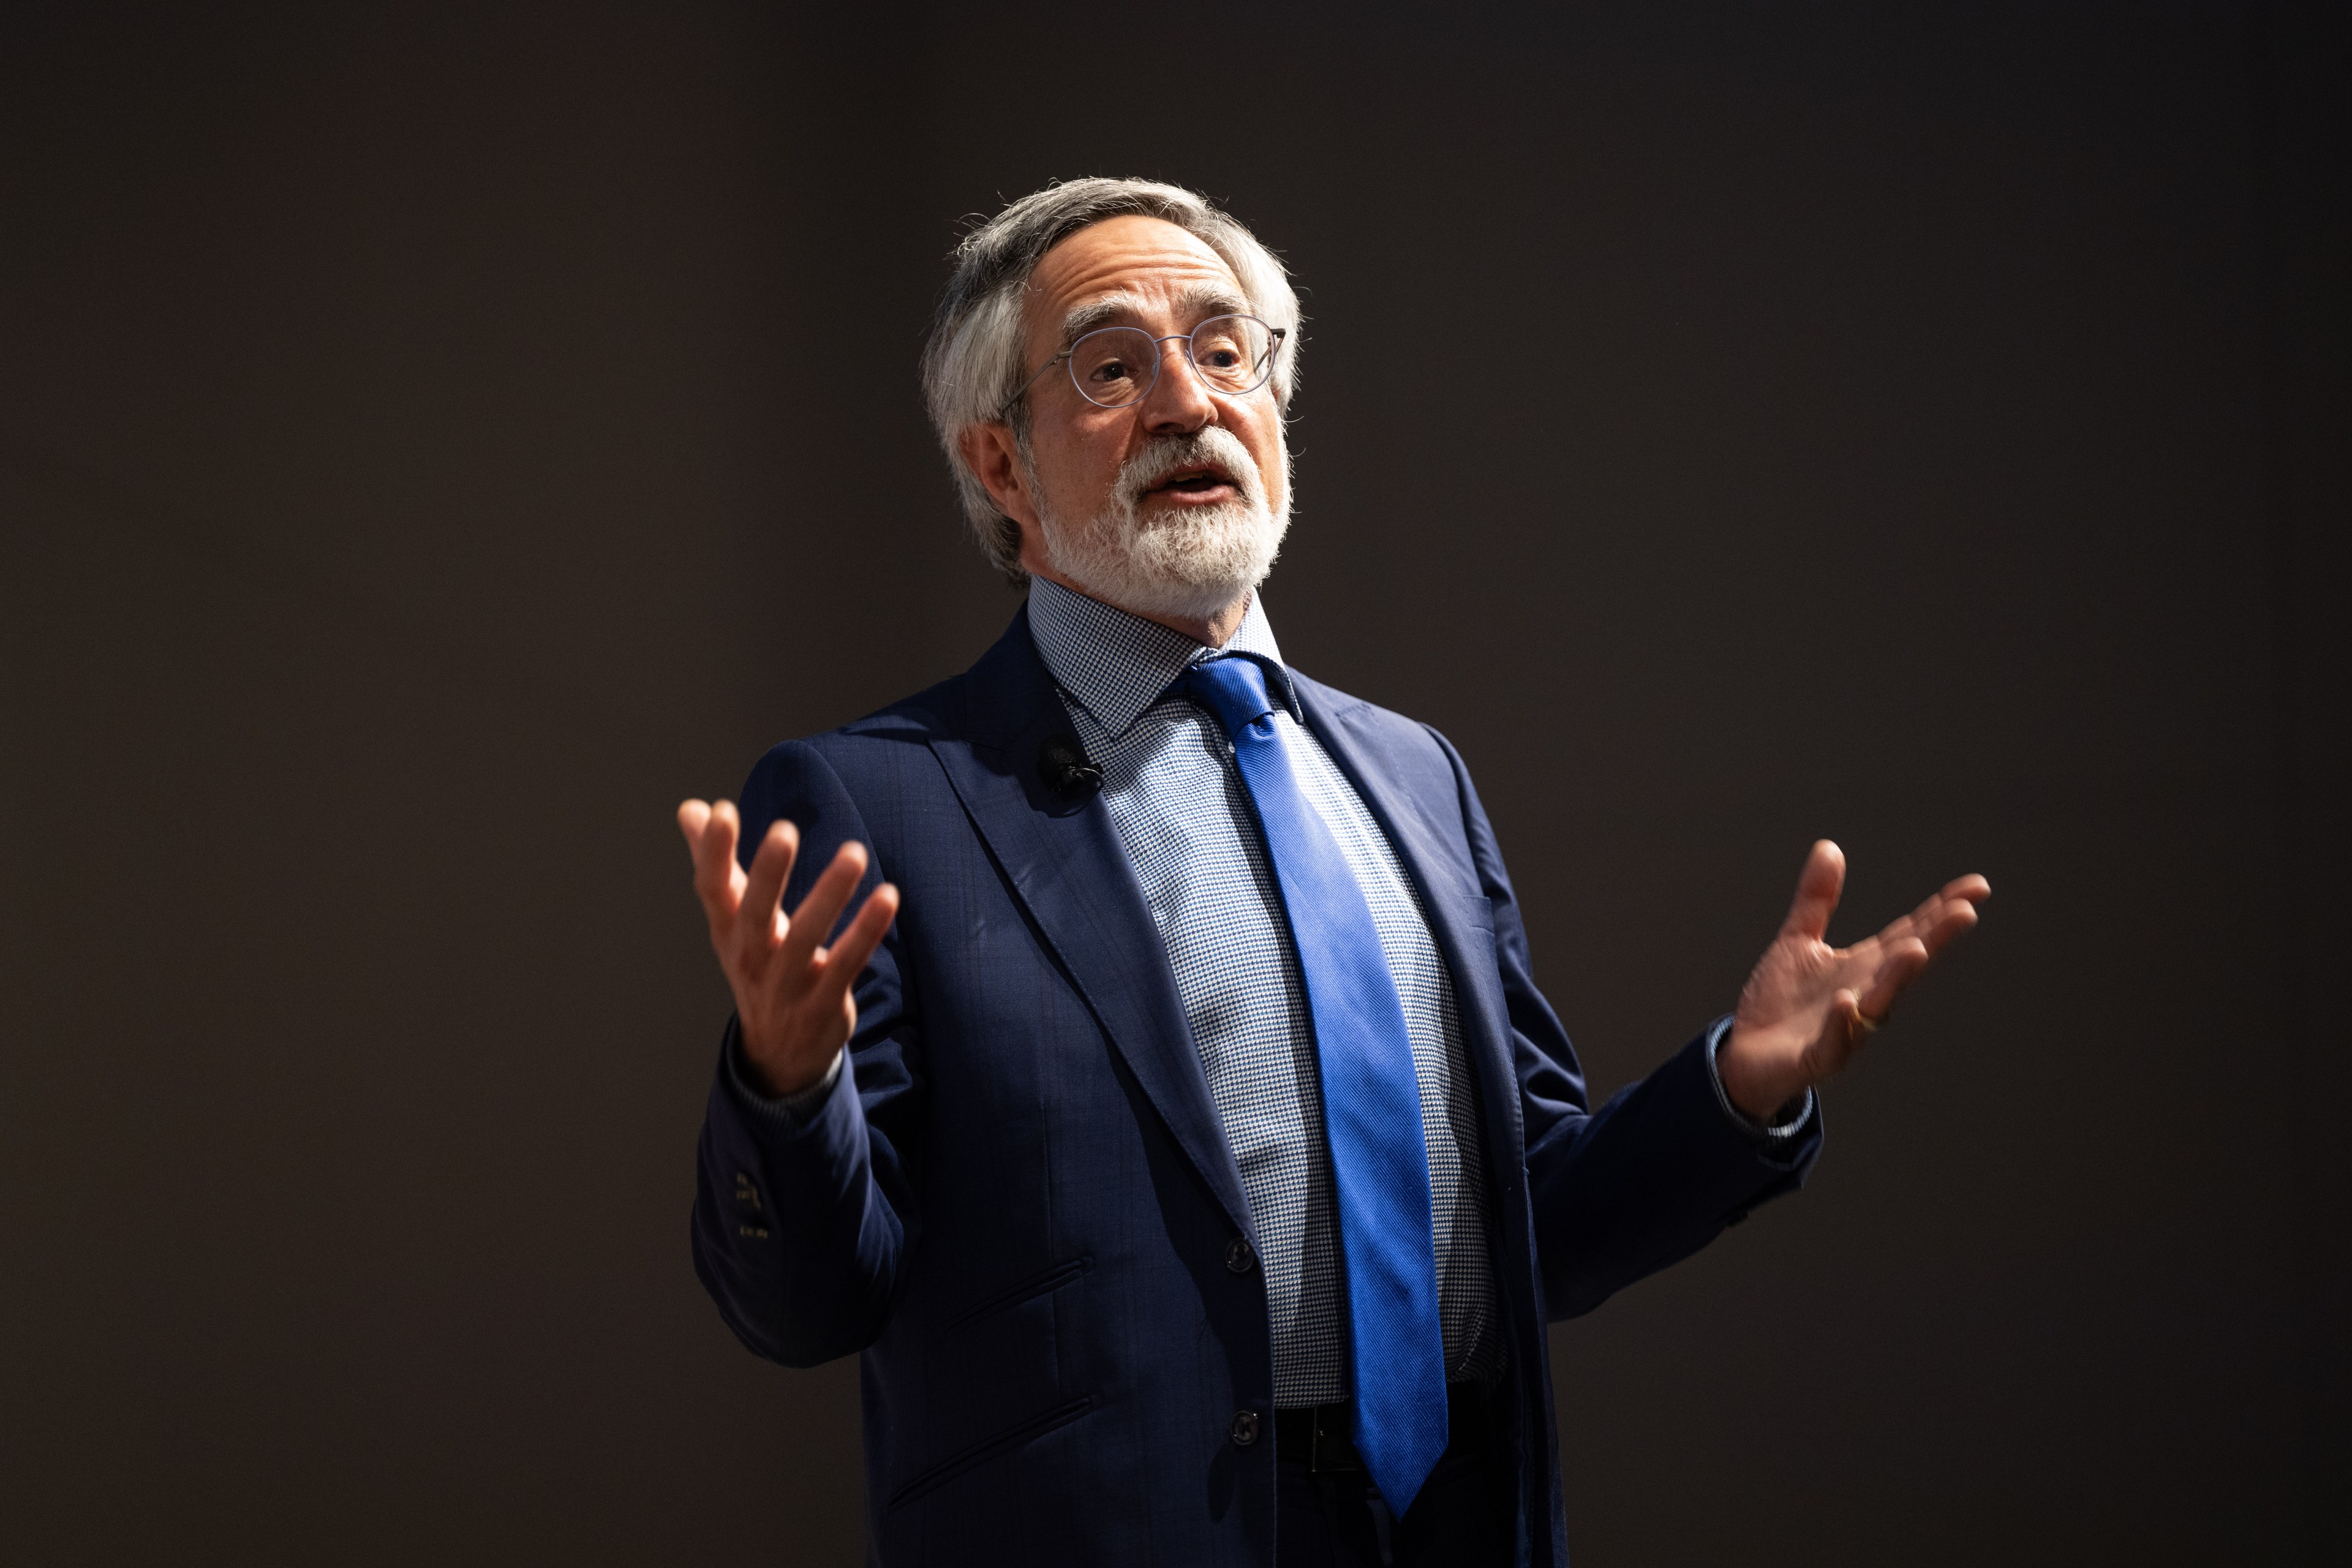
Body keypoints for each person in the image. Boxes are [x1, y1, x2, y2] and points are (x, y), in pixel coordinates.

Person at [677, 177, 1987, 1567]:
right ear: (1001, 466)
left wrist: (1737, 1089)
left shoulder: (1414, 775)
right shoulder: (880, 800)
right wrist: (789, 1081)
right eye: (1111, 364)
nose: (1188, 400)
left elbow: (1529, 1220)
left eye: (1226, 349)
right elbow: (803, 1301)